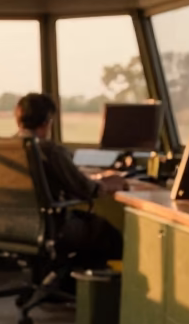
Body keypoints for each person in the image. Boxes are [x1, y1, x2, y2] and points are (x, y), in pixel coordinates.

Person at [14, 92, 127, 266]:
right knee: (108, 235)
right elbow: (87, 189)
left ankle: (58, 281)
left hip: (13, 224)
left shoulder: (8, 147)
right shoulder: (49, 150)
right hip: (50, 227)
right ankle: (73, 285)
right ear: (47, 122)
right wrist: (111, 182)